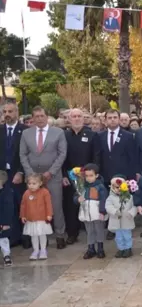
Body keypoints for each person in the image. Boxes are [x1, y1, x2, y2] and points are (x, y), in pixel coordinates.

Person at [19, 106, 68, 249]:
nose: (39, 119)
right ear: (32, 119)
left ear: (47, 117)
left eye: (42, 116)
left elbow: (62, 154)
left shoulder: (58, 132)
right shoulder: (26, 133)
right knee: (35, 207)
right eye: (36, 116)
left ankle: (60, 235)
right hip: (33, 179)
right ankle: (41, 237)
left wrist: (50, 172)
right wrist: (30, 174)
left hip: (52, 176)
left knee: (56, 206)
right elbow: (22, 155)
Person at [62, 109, 98, 245]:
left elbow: (96, 155)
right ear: (69, 119)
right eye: (74, 116)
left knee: (90, 204)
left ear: (83, 119)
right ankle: (72, 233)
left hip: (88, 176)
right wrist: (64, 175)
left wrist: (93, 173)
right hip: (70, 177)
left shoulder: (92, 135)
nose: (76, 119)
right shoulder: (64, 135)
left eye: (79, 116)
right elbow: (61, 157)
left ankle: (92, 233)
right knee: (70, 206)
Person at [0, 102, 27, 248]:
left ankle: (25, 237)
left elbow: (27, 153)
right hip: (3, 175)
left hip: (19, 173)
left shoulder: (25, 130)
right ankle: (12, 237)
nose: (7, 114)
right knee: (8, 206)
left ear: (16, 112)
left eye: (10, 111)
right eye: (5, 112)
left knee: (21, 204)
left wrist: (21, 171)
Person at [74, 164, 108, 259]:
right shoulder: (82, 186)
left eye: (91, 175)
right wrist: (77, 199)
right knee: (89, 231)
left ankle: (100, 249)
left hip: (97, 213)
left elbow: (104, 199)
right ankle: (91, 249)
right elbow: (75, 196)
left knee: (99, 230)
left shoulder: (100, 187)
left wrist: (102, 211)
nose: (88, 178)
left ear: (96, 175)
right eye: (86, 176)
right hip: (86, 213)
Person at [96, 109, 137, 187]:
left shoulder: (128, 136)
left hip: (122, 177)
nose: (112, 120)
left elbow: (132, 158)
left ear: (119, 119)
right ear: (105, 120)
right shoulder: (99, 136)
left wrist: (131, 178)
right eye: (110, 118)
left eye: (115, 117)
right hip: (104, 178)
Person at [20, 173, 53, 260]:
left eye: (34, 184)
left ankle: (43, 250)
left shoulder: (45, 192)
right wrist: (23, 215)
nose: (31, 186)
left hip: (42, 218)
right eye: (29, 184)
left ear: (40, 183)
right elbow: (23, 205)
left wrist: (49, 214)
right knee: (33, 235)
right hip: (31, 219)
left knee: (42, 234)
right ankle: (35, 250)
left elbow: (48, 204)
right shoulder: (26, 193)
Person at [105, 174, 137, 258]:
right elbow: (108, 206)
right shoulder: (110, 198)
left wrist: (131, 213)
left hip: (126, 220)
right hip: (116, 221)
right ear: (112, 187)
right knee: (118, 237)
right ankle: (121, 248)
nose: (118, 189)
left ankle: (128, 248)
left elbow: (134, 206)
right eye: (116, 187)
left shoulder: (129, 197)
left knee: (127, 236)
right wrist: (115, 211)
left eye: (120, 187)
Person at [0, 171, 13, 266]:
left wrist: (6, 224)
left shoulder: (6, 194)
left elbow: (9, 210)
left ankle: (6, 255)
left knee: (3, 239)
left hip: (3, 222)